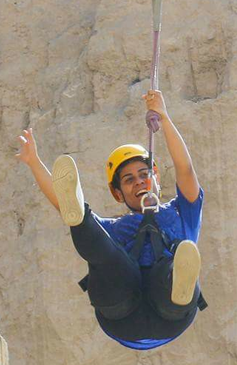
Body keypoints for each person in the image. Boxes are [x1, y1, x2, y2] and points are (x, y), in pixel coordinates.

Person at [16, 89, 205, 350]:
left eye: (144, 174)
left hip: (170, 315)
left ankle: (178, 286)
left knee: (167, 268)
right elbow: (62, 205)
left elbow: (185, 169)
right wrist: (34, 162)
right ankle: (80, 210)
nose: (139, 181)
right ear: (118, 193)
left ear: (157, 177)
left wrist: (164, 117)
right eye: (128, 180)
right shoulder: (114, 229)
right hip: (122, 315)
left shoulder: (182, 213)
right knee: (101, 250)